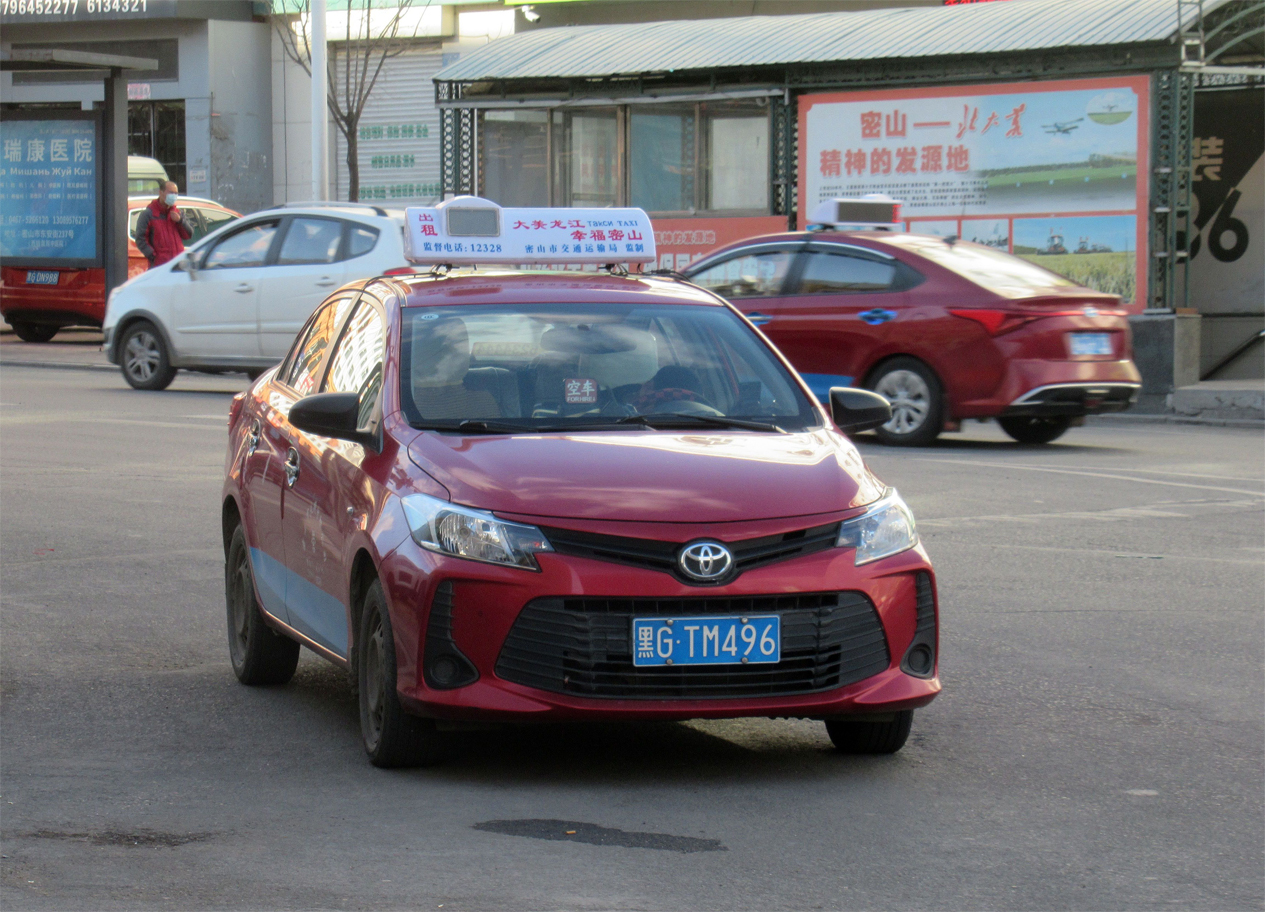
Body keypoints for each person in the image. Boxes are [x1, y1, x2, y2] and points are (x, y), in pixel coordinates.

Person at [134, 181, 191, 269]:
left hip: (178, 266)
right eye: (171, 193)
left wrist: (180, 221)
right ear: (161, 193)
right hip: (159, 266)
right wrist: (153, 256)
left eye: (176, 193)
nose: (174, 196)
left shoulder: (178, 213)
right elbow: (140, 238)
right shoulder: (149, 214)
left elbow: (188, 235)